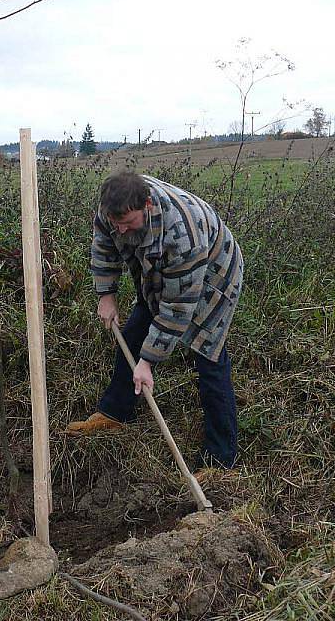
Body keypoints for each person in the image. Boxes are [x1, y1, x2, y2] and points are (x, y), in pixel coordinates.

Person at [66, 171, 243, 471]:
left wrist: (147, 362)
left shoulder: (183, 235)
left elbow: (177, 307)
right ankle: (115, 413)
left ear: (147, 205)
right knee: (134, 333)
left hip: (213, 277)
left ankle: (220, 457)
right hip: (161, 272)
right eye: (115, 222)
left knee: (208, 357)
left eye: (128, 223)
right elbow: (104, 246)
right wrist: (106, 295)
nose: (120, 229)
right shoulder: (114, 207)